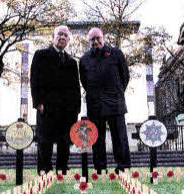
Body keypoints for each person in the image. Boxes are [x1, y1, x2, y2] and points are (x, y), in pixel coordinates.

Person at [79, 27, 131, 174]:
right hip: (95, 104)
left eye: (98, 38)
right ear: (89, 41)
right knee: (97, 138)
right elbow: (84, 81)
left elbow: (125, 76)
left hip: (115, 102)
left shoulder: (116, 53)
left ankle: (123, 166)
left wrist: (117, 92)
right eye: (92, 39)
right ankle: (100, 168)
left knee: (120, 137)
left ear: (103, 37)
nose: (96, 41)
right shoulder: (84, 60)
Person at [30, 25, 81, 175]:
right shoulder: (41, 55)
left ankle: (62, 169)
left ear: (68, 40)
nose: (62, 37)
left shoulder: (72, 62)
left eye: (66, 35)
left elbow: (76, 87)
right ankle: (45, 170)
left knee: (64, 141)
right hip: (47, 107)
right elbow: (34, 80)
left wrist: (76, 109)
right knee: (45, 141)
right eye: (60, 34)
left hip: (67, 110)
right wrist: (38, 103)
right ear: (53, 37)